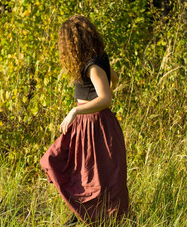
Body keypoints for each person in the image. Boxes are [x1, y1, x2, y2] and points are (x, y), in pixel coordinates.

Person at [40, 15, 129, 226]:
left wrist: (76, 111)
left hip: (95, 125)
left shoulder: (92, 65)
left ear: (73, 43)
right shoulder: (96, 60)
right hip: (87, 125)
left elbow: (106, 98)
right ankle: (79, 215)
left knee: (98, 178)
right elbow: (113, 80)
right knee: (70, 168)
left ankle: (90, 219)